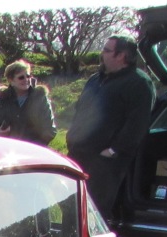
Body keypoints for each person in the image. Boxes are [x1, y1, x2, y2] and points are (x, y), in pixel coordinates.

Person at [66, 34, 156, 219]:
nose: (102, 54)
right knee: (69, 205)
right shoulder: (95, 79)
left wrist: (113, 150)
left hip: (105, 161)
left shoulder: (138, 83)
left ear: (121, 56)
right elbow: (81, 110)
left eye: (107, 50)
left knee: (93, 211)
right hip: (78, 155)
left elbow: (137, 124)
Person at [0, 60, 57, 146]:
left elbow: (50, 130)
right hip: (8, 149)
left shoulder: (40, 98)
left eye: (28, 76)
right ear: (11, 80)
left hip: (33, 149)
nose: (26, 80)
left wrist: (34, 146)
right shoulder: (2, 99)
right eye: (21, 77)